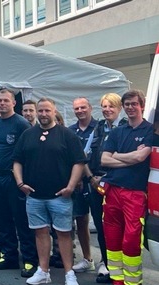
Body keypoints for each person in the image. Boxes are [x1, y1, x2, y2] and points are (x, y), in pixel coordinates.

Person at [12, 98, 86, 285]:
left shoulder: (67, 135)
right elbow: (17, 161)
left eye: (47, 111)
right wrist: (20, 183)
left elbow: (79, 162)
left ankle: (69, 274)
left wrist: (70, 186)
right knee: (40, 233)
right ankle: (43, 271)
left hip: (60, 196)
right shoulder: (28, 135)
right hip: (35, 196)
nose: (43, 114)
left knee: (64, 234)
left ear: (54, 111)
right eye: (41, 111)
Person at [101, 90, 153, 285]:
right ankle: (118, 284)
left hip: (135, 193)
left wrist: (117, 156)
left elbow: (142, 156)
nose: (131, 107)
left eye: (134, 104)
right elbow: (104, 159)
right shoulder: (117, 131)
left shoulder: (150, 130)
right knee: (112, 241)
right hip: (112, 192)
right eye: (127, 104)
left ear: (142, 105)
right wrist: (129, 159)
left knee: (131, 241)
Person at [0, 89, 38, 277]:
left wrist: (23, 180)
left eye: (5, 101)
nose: (2, 104)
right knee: (1, 219)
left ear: (13, 103)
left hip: (13, 178)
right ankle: (8, 255)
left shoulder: (21, 124)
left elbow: (29, 153)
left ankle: (30, 260)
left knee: (21, 220)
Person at [87, 93, 127, 283]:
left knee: (122, 228)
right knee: (102, 227)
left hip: (119, 185)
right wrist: (90, 178)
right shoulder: (98, 128)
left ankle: (123, 268)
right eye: (104, 106)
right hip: (97, 185)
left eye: (111, 106)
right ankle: (107, 263)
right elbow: (85, 155)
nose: (107, 110)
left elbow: (130, 159)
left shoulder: (127, 127)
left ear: (119, 108)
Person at [68, 97, 98, 274]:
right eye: (77, 108)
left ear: (90, 108)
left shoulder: (100, 128)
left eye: (83, 107)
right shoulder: (71, 131)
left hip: (95, 181)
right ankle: (88, 259)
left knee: (103, 224)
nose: (80, 111)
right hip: (77, 183)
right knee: (81, 220)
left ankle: (107, 262)